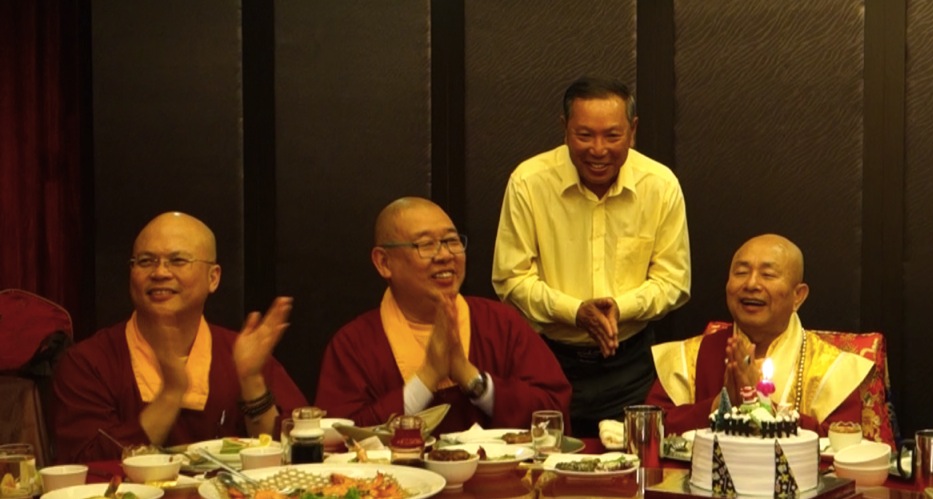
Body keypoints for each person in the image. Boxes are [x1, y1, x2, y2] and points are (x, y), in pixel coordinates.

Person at [492, 76, 691, 435]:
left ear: (632, 131)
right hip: (547, 358)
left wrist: (620, 308)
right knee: (545, 463)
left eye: (612, 136)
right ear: (564, 129)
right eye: (584, 135)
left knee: (634, 462)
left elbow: (674, 281)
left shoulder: (660, 185)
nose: (598, 150)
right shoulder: (529, 182)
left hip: (630, 365)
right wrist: (574, 312)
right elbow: (510, 279)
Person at [53, 212, 306, 463]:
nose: (160, 272)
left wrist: (251, 381)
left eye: (178, 260)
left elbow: (297, 451)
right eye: (145, 261)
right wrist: (171, 394)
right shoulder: (89, 361)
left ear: (213, 278)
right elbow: (85, 464)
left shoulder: (239, 353)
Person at [316, 197, 571, 434]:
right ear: (384, 262)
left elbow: (553, 413)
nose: (446, 255)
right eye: (426, 245)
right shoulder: (354, 344)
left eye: (452, 241)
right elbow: (339, 436)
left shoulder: (501, 323)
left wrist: (471, 379)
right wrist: (428, 377)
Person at [645, 234, 890, 441]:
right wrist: (718, 406)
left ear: (798, 296)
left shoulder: (832, 370)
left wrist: (759, 406)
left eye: (768, 275)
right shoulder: (691, 356)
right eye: (741, 272)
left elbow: (842, 448)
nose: (751, 284)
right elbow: (650, 429)